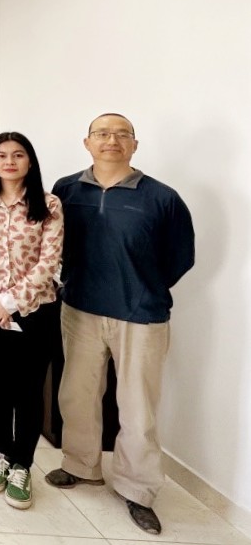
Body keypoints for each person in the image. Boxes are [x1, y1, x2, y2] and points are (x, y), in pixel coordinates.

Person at [44, 113, 194, 535]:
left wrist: (142, 286)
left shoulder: (162, 197)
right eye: (103, 133)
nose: (112, 140)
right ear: (87, 142)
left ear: (134, 145)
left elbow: (180, 257)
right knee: (77, 394)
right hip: (80, 308)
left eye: (122, 134)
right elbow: (54, 242)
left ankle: (138, 490)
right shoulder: (66, 190)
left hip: (141, 316)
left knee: (138, 406)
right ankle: (81, 465)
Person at [0, 132, 63, 509]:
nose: (9, 161)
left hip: (36, 311)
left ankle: (23, 464)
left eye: (18, 155)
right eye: (2, 155)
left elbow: (49, 262)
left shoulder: (48, 204)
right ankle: (2, 455)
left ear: (30, 161)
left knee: (29, 388)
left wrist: (10, 301)